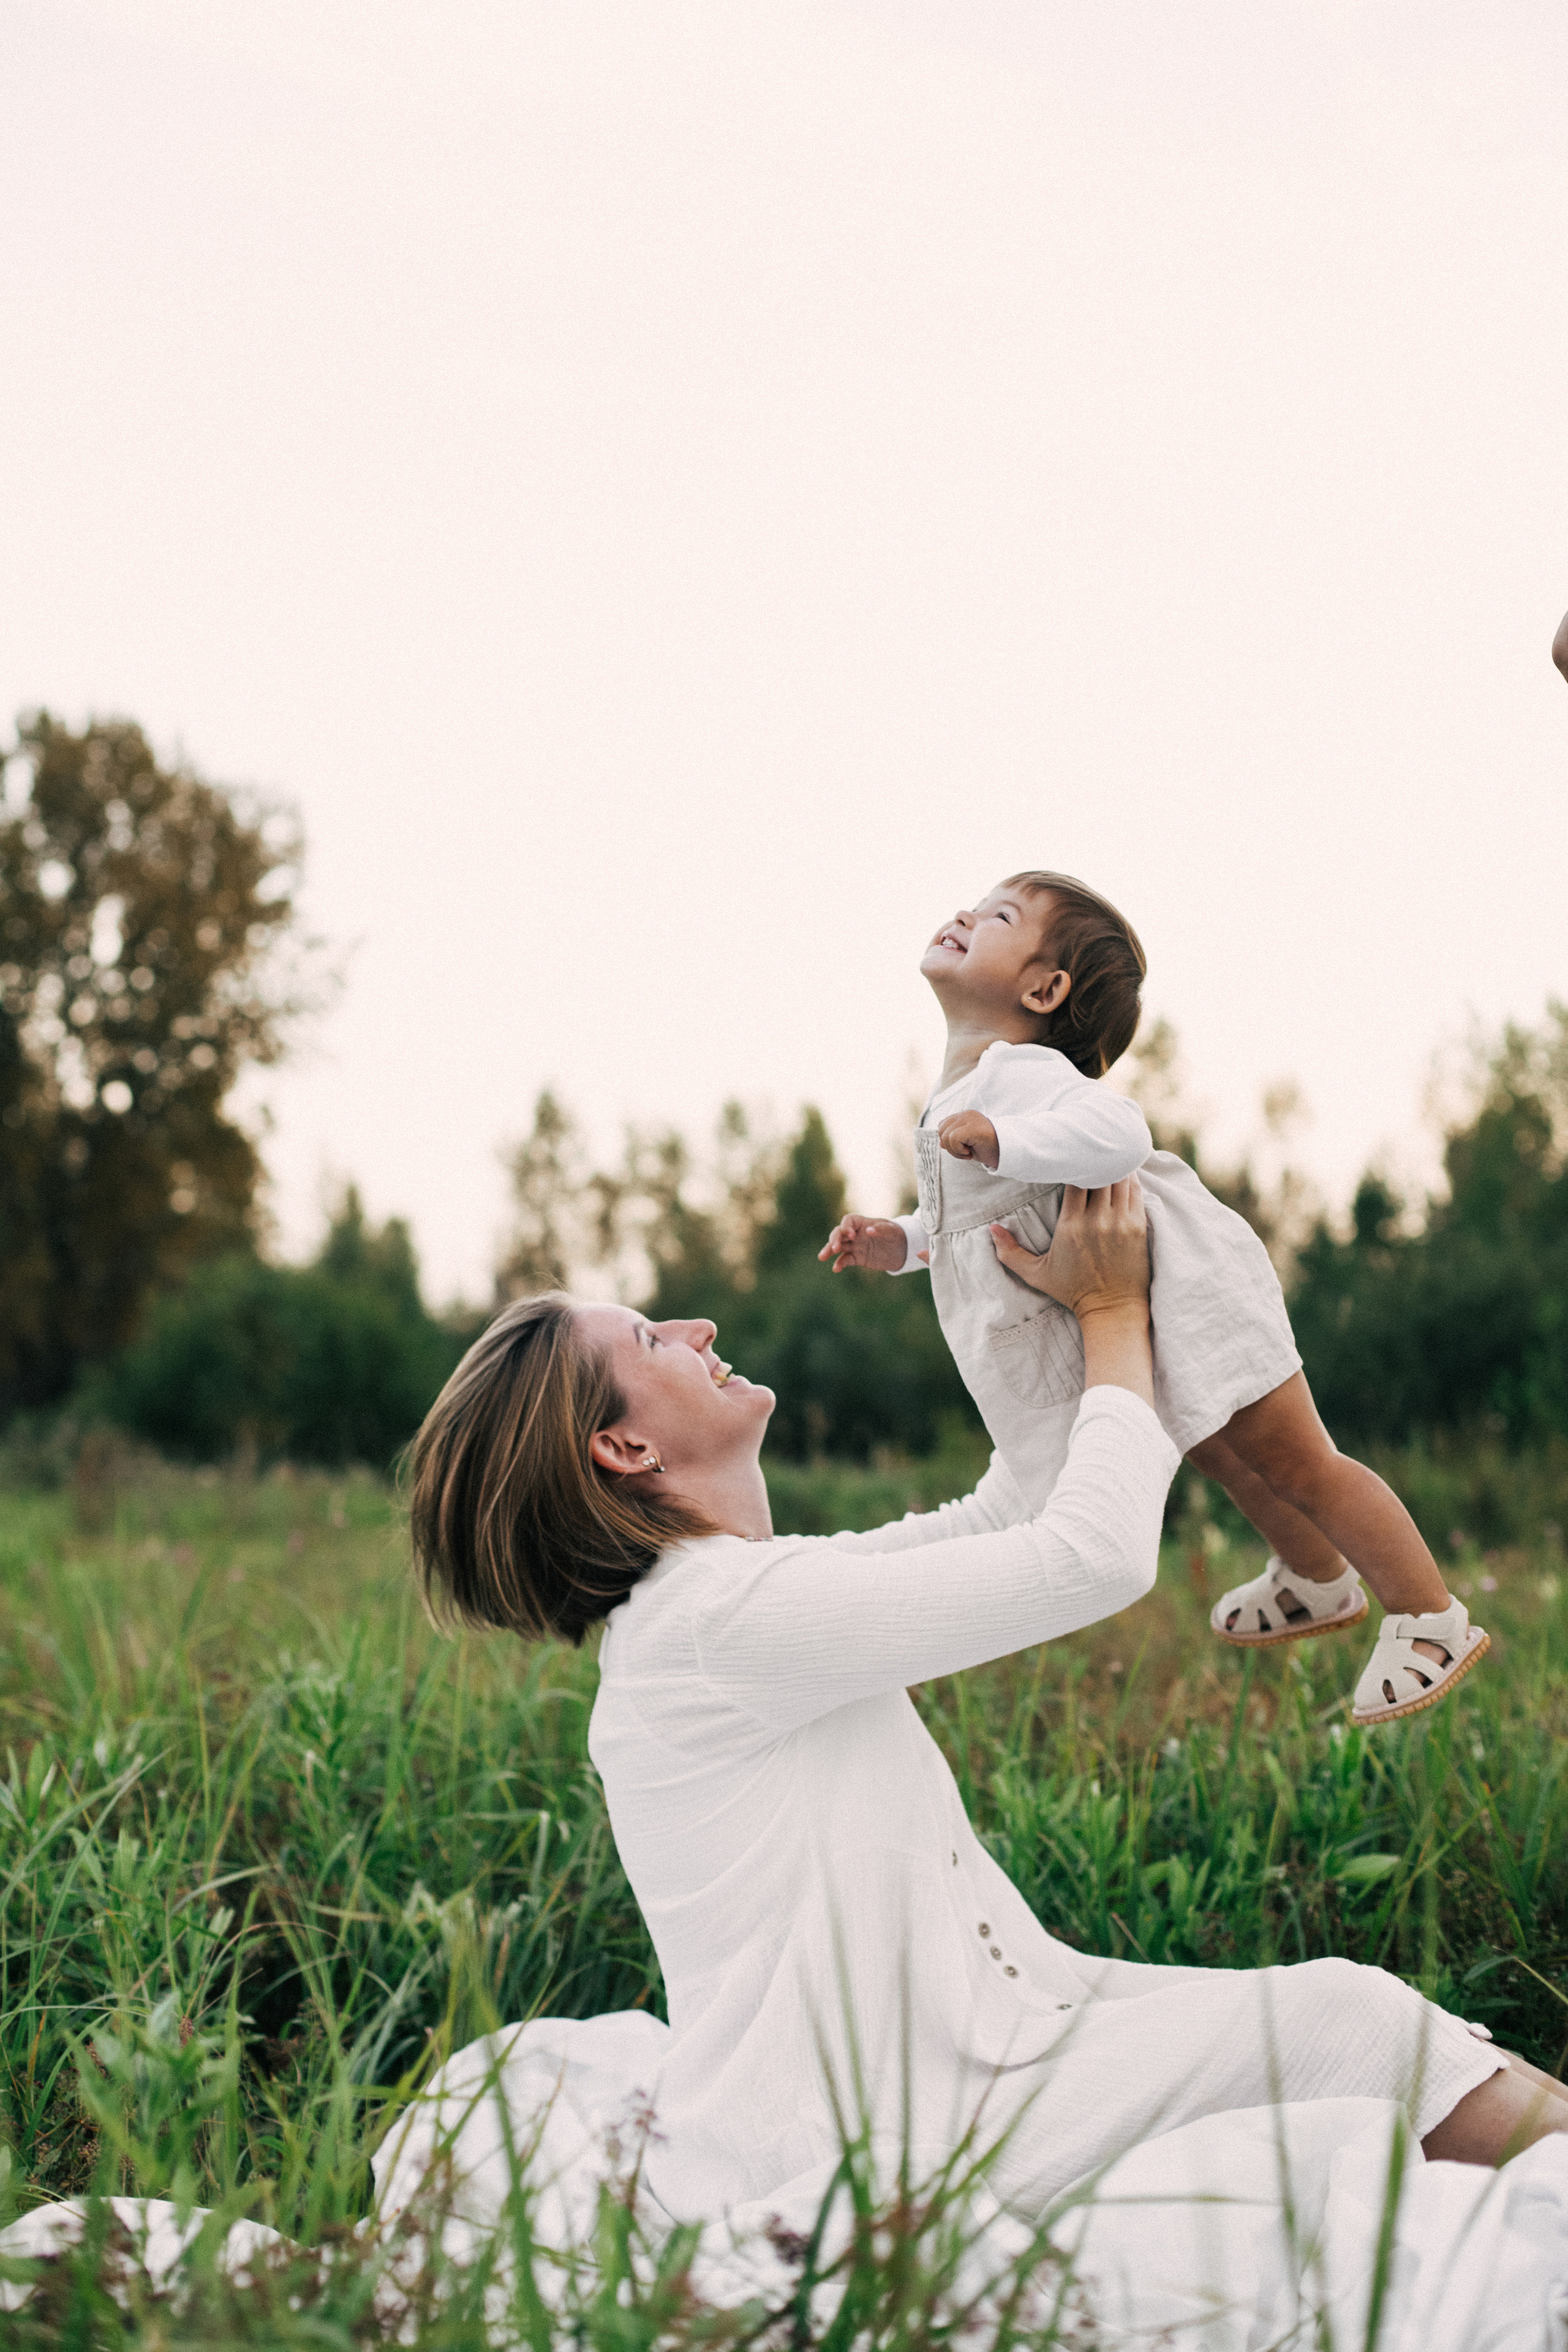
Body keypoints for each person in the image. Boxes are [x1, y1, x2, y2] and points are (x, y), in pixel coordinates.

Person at [408, 1183, 1566, 2226]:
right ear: (621, 1444)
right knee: (1348, 2021)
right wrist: (1112, 1315)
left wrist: (1046, 1298)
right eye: (654, 1338)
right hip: (877, 2129)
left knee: (1337, 2022)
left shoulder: (727, 1606)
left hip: (951, 2064)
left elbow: (1019, 1504)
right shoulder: (714, 1626)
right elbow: (1092, 1558)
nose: (699, 1328)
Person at [818, 872, 1485, 1730]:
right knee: (1222, 1452)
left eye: (998, 916)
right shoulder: (966, 1088)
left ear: (1044, 989)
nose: (963, 915)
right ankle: (1316, 1577)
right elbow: (972, 1223)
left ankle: (1430, 1616)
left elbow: (1120, 1133)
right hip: (1144, 1293)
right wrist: (901, 1241)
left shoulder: (1022, 1074)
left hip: (1190, 1276)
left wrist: (1004, 1137)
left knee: (1294, 1457)